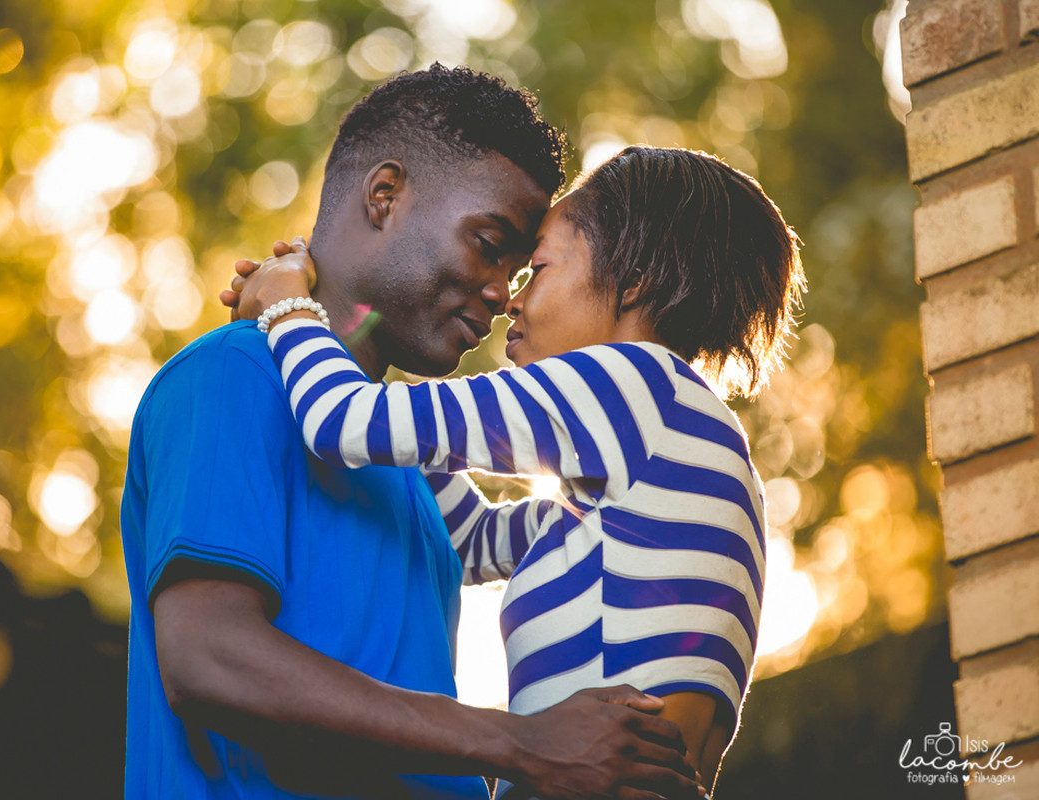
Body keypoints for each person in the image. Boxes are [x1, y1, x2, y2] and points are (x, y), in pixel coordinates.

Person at [122, 65, 705, 800]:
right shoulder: (234, 376)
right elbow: (209, 658)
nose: (502, 293)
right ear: (385, 196)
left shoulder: (411, 475)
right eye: (488, 243)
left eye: (522, 267)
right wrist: (518, 742)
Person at [225, 145, 805, 794]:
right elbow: (467, 539)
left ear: (634, 278)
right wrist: (351, 326)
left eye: (537, 269)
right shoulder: (656, 478)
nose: (509, 302)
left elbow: (342, 421)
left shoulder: (635, 385)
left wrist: (288, 304)